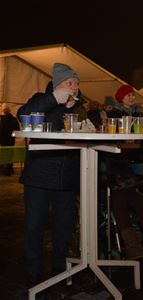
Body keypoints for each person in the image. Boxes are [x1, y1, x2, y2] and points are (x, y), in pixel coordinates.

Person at [17, 63, 83, 285]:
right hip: (40, 175)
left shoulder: (79, 107)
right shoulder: (42, 98)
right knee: (35, 225)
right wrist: (54, 98)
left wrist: (74, 109)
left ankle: (59, 268)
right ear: (58, 85)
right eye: (70, 83)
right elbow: (23, 113)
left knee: (64, 226)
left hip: (67, 176)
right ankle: (32, 270)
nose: (74, 87)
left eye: (76, 84)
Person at [0, 107, 20, 175]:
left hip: (9, 140)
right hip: (3, 140)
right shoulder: (1, 118)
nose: (5, 111)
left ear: (9, 111)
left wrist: (12, 135)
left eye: (6, 110)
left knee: (9, 154)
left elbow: (17, 129)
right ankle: (4, 168)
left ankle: (9, 169)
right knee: (4, 154)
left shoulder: (13, 119)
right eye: (4, 110)